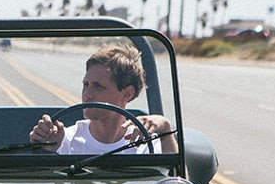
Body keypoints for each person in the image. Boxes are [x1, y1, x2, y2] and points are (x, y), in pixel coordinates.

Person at [29, 44, 176, 154]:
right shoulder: (65, 140)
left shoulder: (144, 144)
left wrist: (166, 129)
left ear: (127, 94)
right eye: (85, 85)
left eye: (98, 87)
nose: (87, 94)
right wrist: (45, 150)